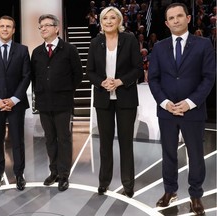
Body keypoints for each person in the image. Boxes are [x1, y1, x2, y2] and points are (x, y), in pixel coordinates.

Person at [148, 3, 216, 215]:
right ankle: (170, 191)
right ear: (166, 23)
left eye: (179, 16)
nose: (176, 20)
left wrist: (190, 102)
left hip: (193, 110)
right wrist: (165, 103)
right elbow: (153, 79)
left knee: (196, 155)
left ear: (188, 18)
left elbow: (209, 77)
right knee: (168, 154)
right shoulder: (159, 47)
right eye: (171, 18)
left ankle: (196, 195)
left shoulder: (203, 44)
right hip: (167, 111)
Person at [86, 6, 143, 197]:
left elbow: (137, 69)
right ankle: (104, 181)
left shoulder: (130, 39)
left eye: (112, 18)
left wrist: (120, 81)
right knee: (105, 143)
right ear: (101, 23)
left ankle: (128, 184)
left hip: (125, 98)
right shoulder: (95, 42)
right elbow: (90, 71)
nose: (108, 21)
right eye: (105, 19)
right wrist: (102, 82)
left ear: (119, 21)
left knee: (126, 143)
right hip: (104, 100)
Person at [31, 14, 83, 192]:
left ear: (56, 28)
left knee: (64, 139)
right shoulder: (37, 52)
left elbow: (78, 76)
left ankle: (63, 175)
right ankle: (53, 171)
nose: (43, 28)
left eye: (47, 25)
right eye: (41, 26)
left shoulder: (69, 49)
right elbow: (34, 77)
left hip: (63, 103)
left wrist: (66, 91)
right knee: (49, 139)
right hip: (44, 103)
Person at [0, 15, 31, 191]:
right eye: (1, 26)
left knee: (18, 140)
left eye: (8, 26)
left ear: (13, 30)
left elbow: (26, 77)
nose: (5, 29)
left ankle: (19, 174)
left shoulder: (23, 50)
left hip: (16, 103)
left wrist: (14, 99)